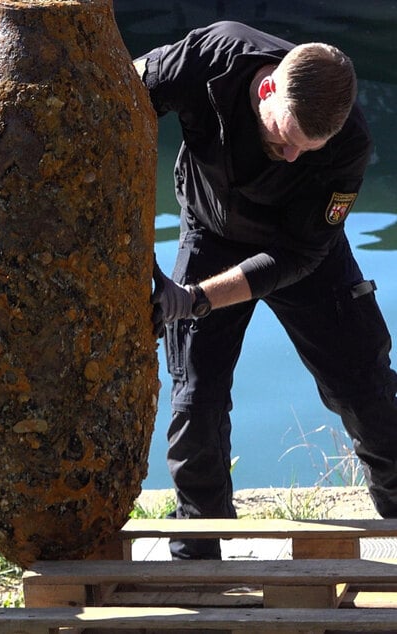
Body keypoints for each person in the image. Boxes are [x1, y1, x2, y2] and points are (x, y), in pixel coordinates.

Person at [139, 21, 397, 560]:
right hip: (211, 228)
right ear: (266, 90)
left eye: (309, 149)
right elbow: (115, 100)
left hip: (301, 249)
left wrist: (198, 298)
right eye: (285, 139)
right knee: (196, 402)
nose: (294, 156)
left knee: (366, 388)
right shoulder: (210, 59)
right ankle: (199, 551)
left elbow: (299, 255)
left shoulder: (349, 142)